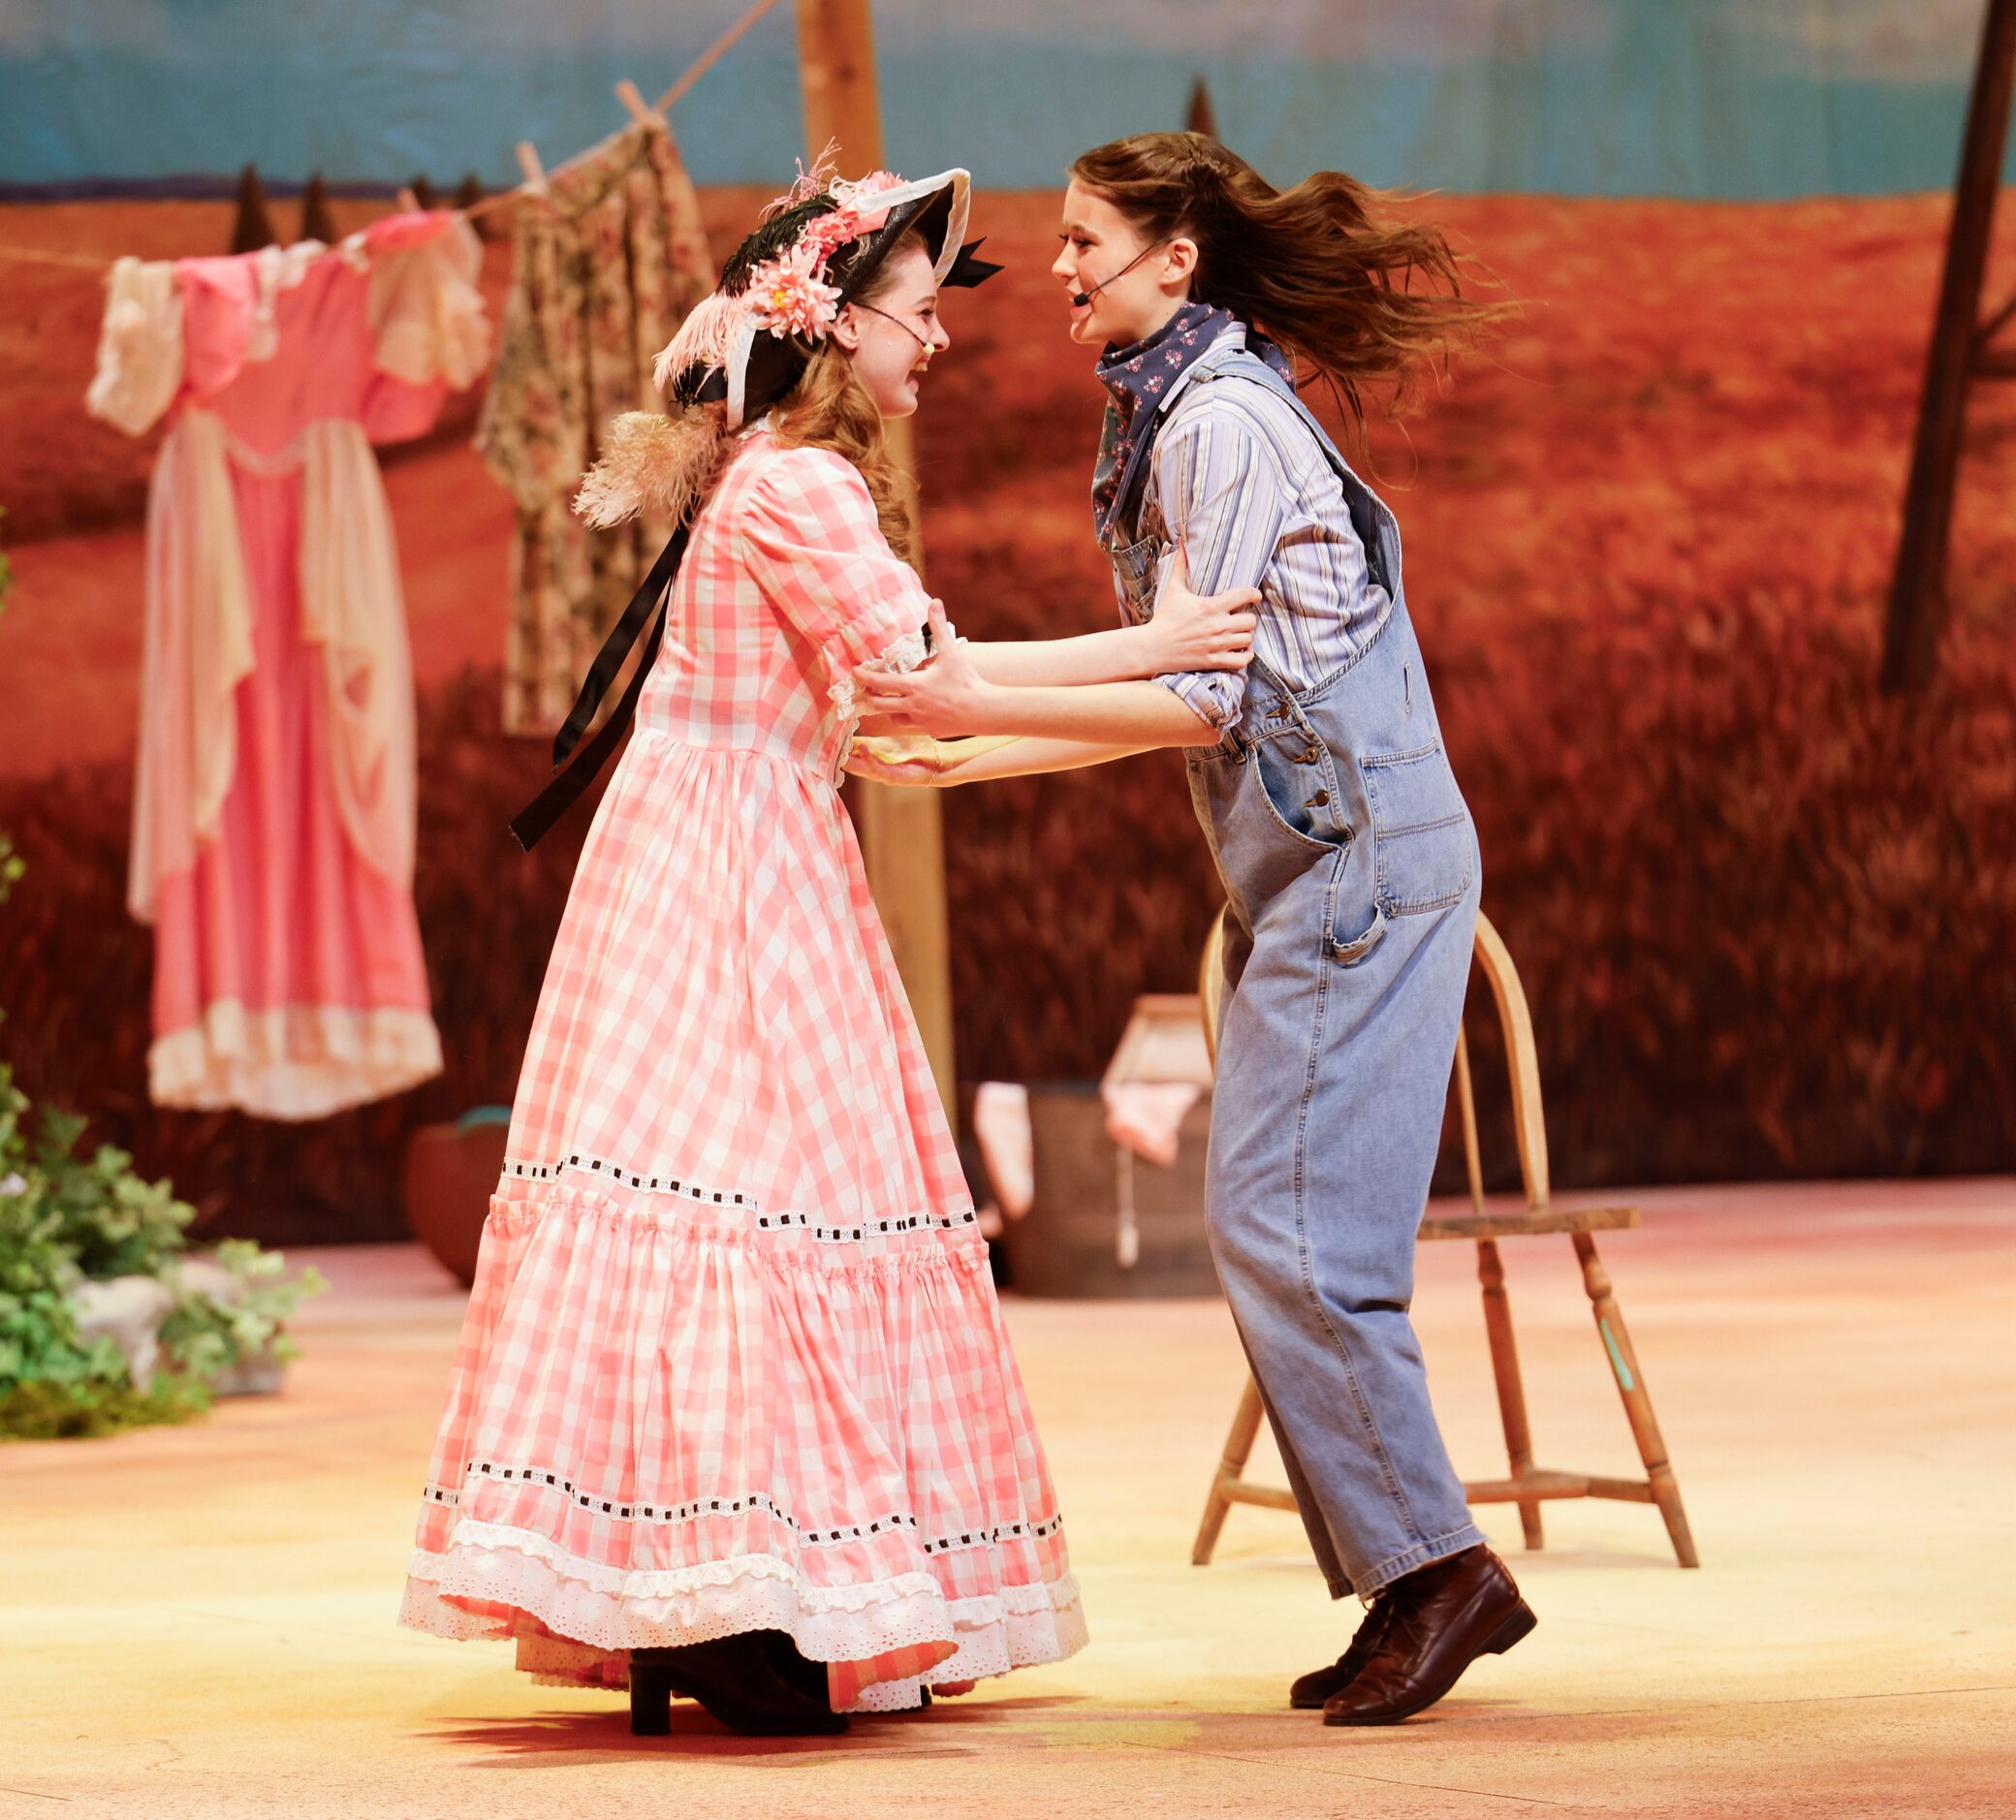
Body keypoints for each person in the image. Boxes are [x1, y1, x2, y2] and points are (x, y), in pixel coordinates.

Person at [398, 159, 1258, 1738]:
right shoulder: (798, 481)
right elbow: (925, 679)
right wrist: (1160, 646)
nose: (936, 343)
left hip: (740, 843)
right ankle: (724, 1596)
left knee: (765, 1212)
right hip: (725, 874)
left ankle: (744, 1592)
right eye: (919, 317)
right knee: (737, 1214)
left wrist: (1071, 713)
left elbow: (878, 714)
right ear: (837, 322)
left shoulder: (773, 475)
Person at [854, 132, 1536, 1728]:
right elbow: (1192, 701)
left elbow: (1199, 690)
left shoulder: (1218, 422)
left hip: (1360, 865)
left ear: (1178, 260)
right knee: (1282, 1229)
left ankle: (1436, 1573)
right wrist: (964, 751)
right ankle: (1414, 1572)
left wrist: (971, 695)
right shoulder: (1182, 410)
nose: (1064, 266)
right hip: (1323, 869)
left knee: (1292, 1233)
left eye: (1089, 239)